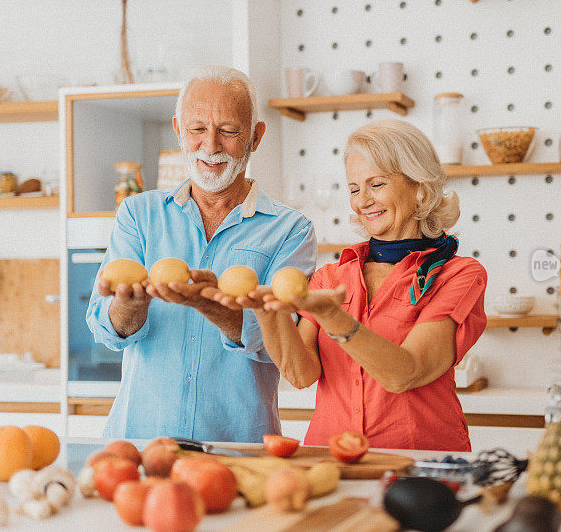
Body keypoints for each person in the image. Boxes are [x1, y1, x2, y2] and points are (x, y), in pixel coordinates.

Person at [204, 119, 486, 451]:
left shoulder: (458, 275)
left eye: (376, 184)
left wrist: (335, 318)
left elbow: (406, 372)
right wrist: (266, 312)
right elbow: (301, 374)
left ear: (418, 184)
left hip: (420, 463)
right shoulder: (332, 276)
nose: (363, 201)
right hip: (331, 458)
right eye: (354, 189)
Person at [86, 65, 316, 441]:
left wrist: (215, 307)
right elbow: (108, 329)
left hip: (238, 448)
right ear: (179, 131)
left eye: (228, 130)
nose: (210, 146)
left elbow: (285, 346)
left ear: (255, 137)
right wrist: (131, 304)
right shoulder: (138, 214)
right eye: (197, 129)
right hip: (140, 443)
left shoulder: (291, 230)